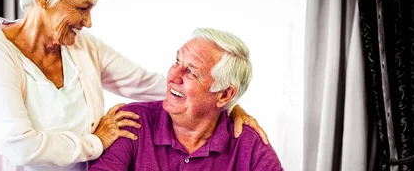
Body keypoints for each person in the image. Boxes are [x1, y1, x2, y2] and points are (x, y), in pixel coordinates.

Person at [0, 0, 268, 170]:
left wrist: (226, 103)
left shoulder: (82, 47)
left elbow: (158, 84)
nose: (88, 22)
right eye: (82, 8)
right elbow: (19, 144)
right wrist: (96, 142)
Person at [89, 28, 283, 171]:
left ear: (224, 95)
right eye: (177, 62)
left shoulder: (248, 142)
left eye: (191, 71)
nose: (173, 75)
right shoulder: (132, 122)